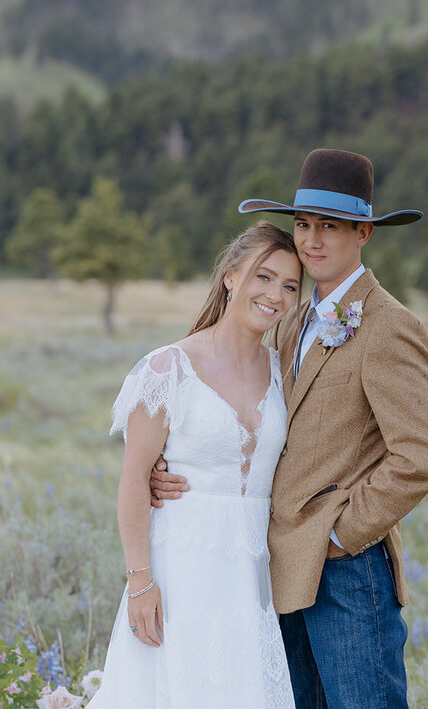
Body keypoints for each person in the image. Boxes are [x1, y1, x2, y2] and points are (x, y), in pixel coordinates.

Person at [153, 148, 428, 709]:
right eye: (304, 225)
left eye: (330, 227)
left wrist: (340, 534)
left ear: (364, 233)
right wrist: (179, 468)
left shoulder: (389, 325)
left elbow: (425, 452)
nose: (312, 240)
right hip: (277, 565)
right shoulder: (293, 316)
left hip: (347, 570)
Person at [87, 221, 303, 709]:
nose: (276, 295)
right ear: (230, 276)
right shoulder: (169, 369)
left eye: (290, 285)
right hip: (180, 568)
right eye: (263, 277)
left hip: (251, 576)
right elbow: (133, 481)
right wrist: (140, 580)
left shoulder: (284, 371)